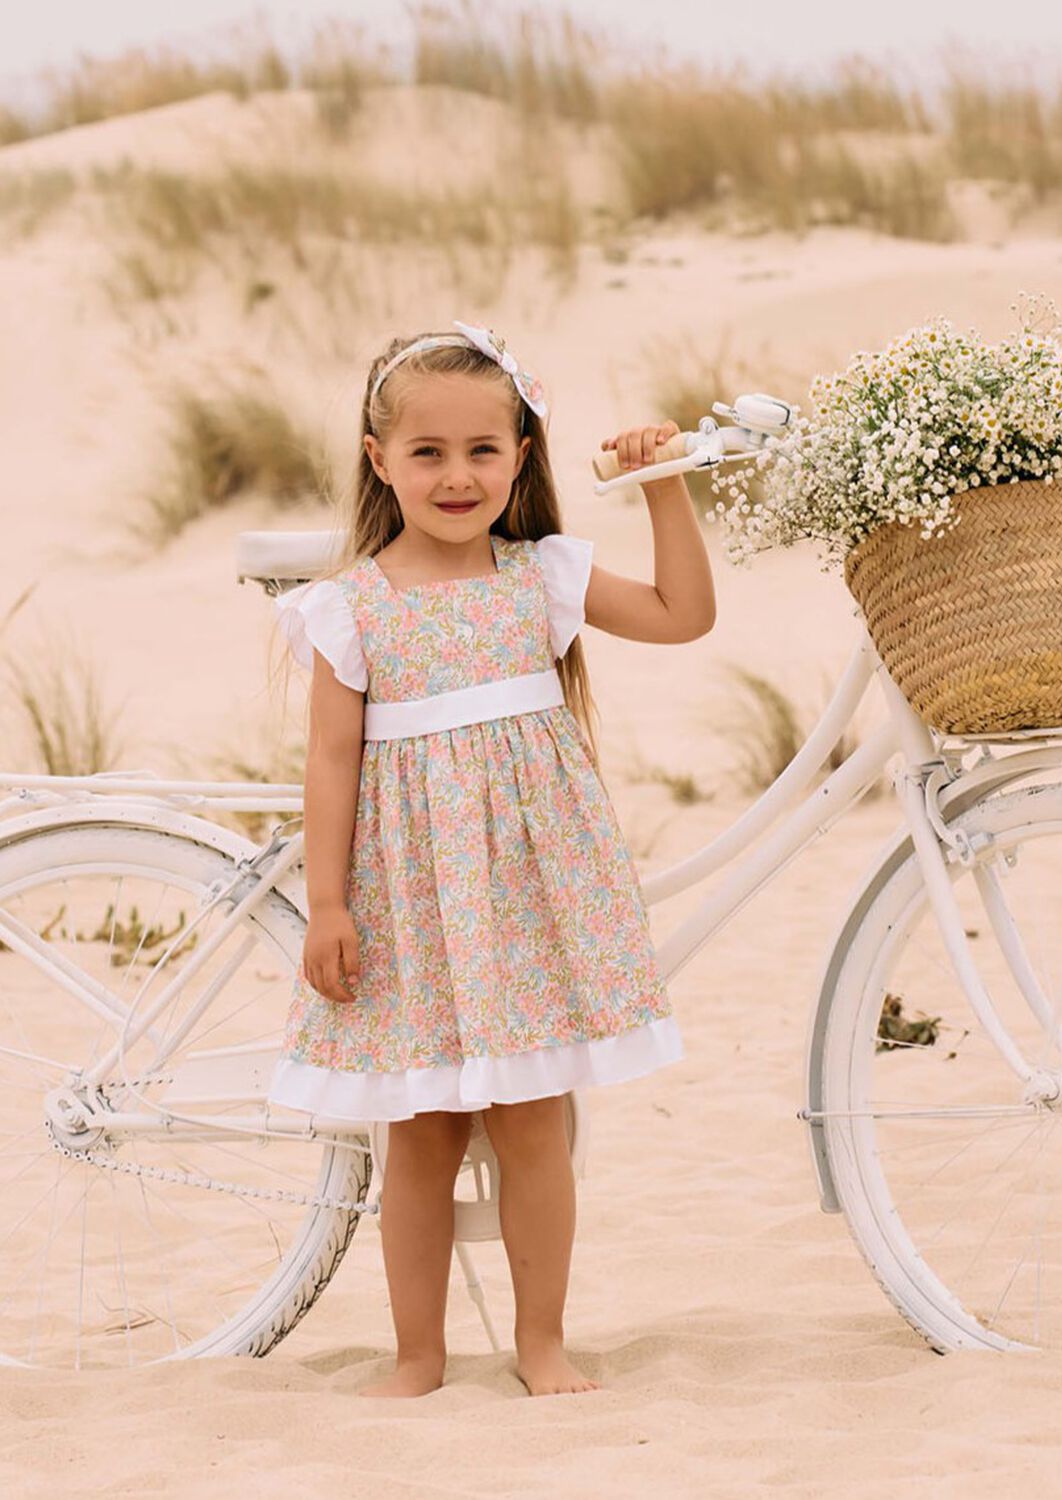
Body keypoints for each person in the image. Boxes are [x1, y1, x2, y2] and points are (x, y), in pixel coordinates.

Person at [265, 320, 715, 1399]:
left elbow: (683, 617)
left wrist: (663, 486)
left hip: (527, 905)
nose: (458, 476)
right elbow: (330, 763)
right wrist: (325, 903)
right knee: (418, 1139)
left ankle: (540, 1343)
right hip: (411, 905)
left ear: (521, 454)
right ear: (379, 460)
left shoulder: (541, 577)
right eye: (427, 452)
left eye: (482, 449)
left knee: (532, 1127)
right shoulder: (351, 609)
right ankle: (418, 1354)